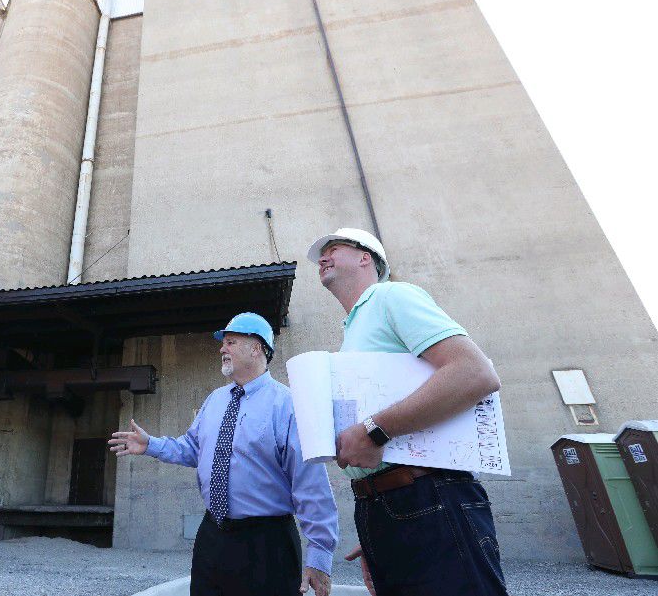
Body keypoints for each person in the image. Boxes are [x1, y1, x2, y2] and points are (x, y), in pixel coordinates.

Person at [307, 227, 507, 596]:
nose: (322, 258)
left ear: (366, 256)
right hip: (382, 504)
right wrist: (376, 526)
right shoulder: (353, 330)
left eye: (332, 249)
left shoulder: (390, 296)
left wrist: (374, 431)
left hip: (429, 498)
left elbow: (475, 373)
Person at [109, 312, 338, 596]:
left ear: (257, 348)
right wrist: (150, 445)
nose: (221, 349)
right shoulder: (215, 400)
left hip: (267, 544)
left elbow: (310, 483)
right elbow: (193, 449)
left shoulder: (287, 405)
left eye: (230, 342)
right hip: (213, 536)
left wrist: (319, 556)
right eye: (223, 343)